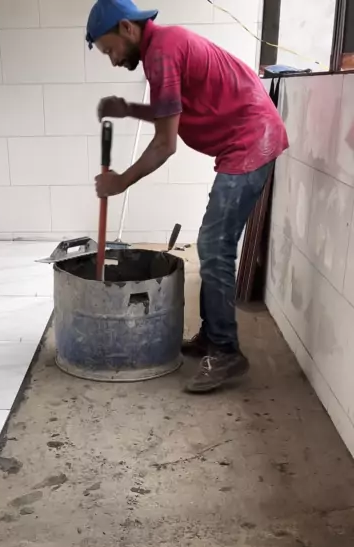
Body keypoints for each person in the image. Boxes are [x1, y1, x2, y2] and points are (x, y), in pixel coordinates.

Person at [86, 0, 288, 393]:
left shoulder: (162, 53)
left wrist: (120, 181)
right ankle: (213, 337)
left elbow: (165, 144)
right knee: (215, 245)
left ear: (127, 28)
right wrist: (128, 109)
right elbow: (172, 112)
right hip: (247, 138)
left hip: (251, 140)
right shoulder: (163, 48)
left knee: (214, 245)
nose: (113, 60)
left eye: (110, 49)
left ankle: (226, 352)